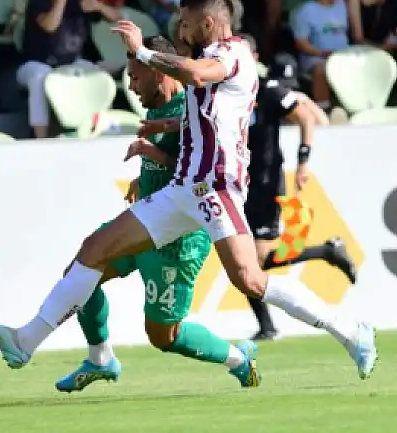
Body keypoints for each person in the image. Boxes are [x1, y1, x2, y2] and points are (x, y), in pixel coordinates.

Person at [0, 0, 377, 381]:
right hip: (183, 189)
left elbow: (196, 77)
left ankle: (350, 333)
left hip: (217, 189)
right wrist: (166, 124)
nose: (181, 31)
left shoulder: (233, 53)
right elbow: (203, 112)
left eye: (185, 23)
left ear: (207, 21)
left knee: (251, 280)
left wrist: (141, 51)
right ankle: (24, 341)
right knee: (94, 250)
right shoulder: (209, 57)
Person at [56, 35, 259, 392]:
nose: (131, 87)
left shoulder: (192, 108)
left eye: (135, 77)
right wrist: (143, 175)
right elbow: (175, 167)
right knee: (81, 273)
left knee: (165, 336)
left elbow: (196, 173)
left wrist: (152, 151)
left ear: (159, 73)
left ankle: (239, 358)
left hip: (177, 240)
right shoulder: (155, 109)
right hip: (146, 222)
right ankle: (100, 358)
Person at [241, 43, 357, 342]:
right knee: (247, 260)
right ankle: (326, 253)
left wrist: (303, 162)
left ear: (254, 58)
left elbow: (306, 117)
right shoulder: (228, 91)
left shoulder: (268, 89)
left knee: (253, 260)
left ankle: (327, 253)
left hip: (265, 181)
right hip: (239, 182)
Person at [11, 0, 119, 138]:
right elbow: (50, 25)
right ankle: (41, 137)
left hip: (70, 62)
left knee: (97, 75)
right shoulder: (38, 1)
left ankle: (99, 129)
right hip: (35, 64)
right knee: (40, 78)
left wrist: (99, 6)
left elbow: (116, 17)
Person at [292, 0, 350, 109]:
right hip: (317, 57)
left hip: (343, 55)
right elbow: (301, 43)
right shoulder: (305, 11)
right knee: (321, 69)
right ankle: (323, 108)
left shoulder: (342, 5)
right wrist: (323, 53)